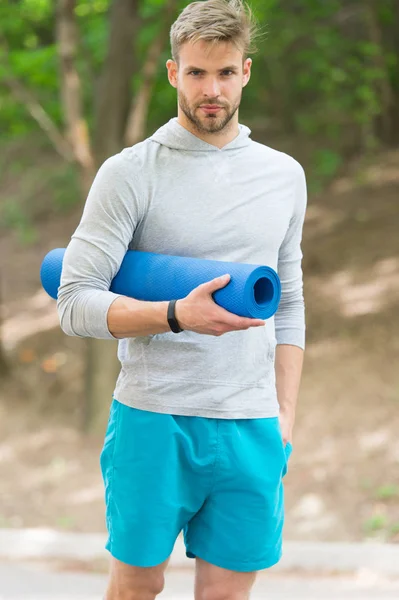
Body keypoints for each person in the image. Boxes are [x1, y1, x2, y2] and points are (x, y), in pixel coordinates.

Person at [57, 0, 307, 598]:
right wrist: (174, 315)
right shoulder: (129, 172)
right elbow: (74, 302)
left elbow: (290, 300)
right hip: (153, 417)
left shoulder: (284, 175)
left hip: (250, 425)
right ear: (174, 73)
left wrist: (286, 414)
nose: (211, 89)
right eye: (197, 73)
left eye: (225, 73)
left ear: (246, 72)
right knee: (136, 586)